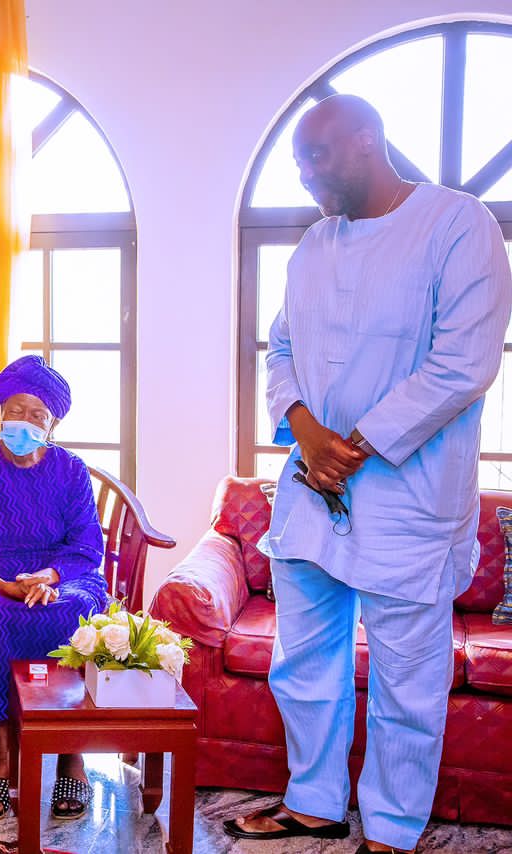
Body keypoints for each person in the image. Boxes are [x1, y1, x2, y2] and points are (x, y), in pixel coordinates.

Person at [225, 95, 512, 854]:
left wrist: (352, 444)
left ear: (367, 141)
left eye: (317, 157)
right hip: (310, 496)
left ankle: (390, 828)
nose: (307, 175)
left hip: (408, 503)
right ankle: (314, 801)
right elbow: (279, 351)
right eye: (297, 163)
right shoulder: (313, 246)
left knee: (406, 683)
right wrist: (306, 434)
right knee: (303, 666)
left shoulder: (458, 225)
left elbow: (464, 364)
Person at [0, 355, 109, 822]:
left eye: (38, 415)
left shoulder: (70, 470)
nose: (25, 422)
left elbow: (86, 546)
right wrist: (3, 585)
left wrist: (50, 577)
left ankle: (72, 752)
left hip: (59, 574)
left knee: (76, 610)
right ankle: (4, 754)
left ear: (52, 425)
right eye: (16, 410)